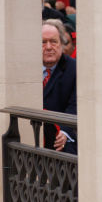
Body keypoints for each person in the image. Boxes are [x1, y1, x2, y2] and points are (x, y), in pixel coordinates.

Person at [42, 22, 77, 154]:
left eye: (54, 41)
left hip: (62, 143)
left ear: (62, 44)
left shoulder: (74, 69)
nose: (49, 47)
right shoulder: (27, 69)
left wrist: (64, 131)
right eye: (43, 42)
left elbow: (75, 105)